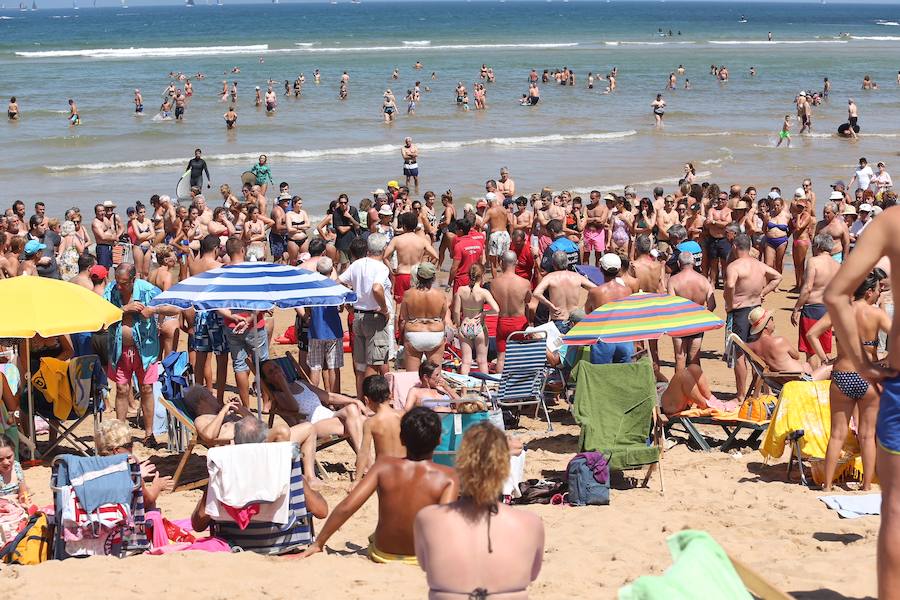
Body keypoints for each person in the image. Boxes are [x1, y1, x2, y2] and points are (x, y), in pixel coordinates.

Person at [822, 205, 900, 599]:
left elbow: (831, 297)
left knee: (896, 509)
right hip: (872, 374)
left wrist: (864, 363)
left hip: (850, 372)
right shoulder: (875, 311)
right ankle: (862, 482)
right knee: (865, 435)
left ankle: (830, 481)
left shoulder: (892, 222)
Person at [299, 407, 457, 563]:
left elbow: (347, 506)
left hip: (384, 553)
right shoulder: (448, 477)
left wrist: (319, 543)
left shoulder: (383, 466)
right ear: (439, 440)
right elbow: (446, 524)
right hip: (424, 556)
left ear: (402, 438)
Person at [415, 422, 544, 598]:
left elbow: (425, 565)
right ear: (505, 467)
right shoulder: (531, 523)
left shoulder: (428, 518)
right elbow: (532, 574)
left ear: (461, 463)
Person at [807, 270, 889, 492]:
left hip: (842, 374)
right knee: (867, 434)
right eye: (878, 289)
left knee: (837, 434)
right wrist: (885, 361)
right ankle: (865, 487)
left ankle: (827, 485)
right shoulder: (876, 314)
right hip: (868, 376)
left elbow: (812, 334)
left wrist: (825, 359)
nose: (879, 293)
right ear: (869, 291)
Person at [103, 263, 173, 447]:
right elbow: (102, 313)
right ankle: (120, 435)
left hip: (146, 351)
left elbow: (174, 308)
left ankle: (149, 434)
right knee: (121, 389)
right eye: (117, 281)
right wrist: (124, 309)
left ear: (133, 280)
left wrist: (154, 310)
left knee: (146, 389)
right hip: (119, 350)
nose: (119, 286)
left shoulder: (148, 290)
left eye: (124, 283)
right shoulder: (111, 290)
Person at [724, 234, 782, 401]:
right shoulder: (759, 265)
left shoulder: (734, 266)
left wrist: (729, 303)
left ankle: (741, 395)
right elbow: (778, 277)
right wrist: (762, 293)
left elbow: (729, 284)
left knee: (739, 353)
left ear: (735, 246)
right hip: (757, 311)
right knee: (757, 352)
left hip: (740, 311)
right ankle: (759, 392)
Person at [217, 238, 269, 409]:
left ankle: (245, 407)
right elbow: (262, 301)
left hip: (232, 326)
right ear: (242, 251)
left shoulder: (222, 272)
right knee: (262, 364)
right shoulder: (252, 271)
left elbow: (217, 305)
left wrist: (233, 318)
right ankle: (267, 402)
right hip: (254, 323)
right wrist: (247, 320)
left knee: (239, 366)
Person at [339, 233, 393, 396]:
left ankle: (362, 400)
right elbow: (377, 288)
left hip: (358, 316)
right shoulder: (381, 267)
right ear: (383, 249)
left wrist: (348, 303)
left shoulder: (357, 264)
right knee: (374, 364)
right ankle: (370, 401)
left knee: (360, 366)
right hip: (373, 318)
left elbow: (339, 282)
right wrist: (384, 308)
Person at [96, 419, 172, 511]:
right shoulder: (131, 471)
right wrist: (158, 485)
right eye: (129, 445)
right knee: (151, 507)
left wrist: (139, 475)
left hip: (99, 521)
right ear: (117, 450)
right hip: (124, 522)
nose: (132, 448)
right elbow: (148, 500)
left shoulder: (93, 467)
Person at [792, 234, 841, 367]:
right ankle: (825, 380)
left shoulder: (813, 261)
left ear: (818, 246)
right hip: (828, 311)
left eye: (813, 245)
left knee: (811, 351)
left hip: (812, 309)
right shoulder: (837, 265)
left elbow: (807, 288)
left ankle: (815, 381)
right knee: (824, 349)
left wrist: (796, 308)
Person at [747, 307, 830, 379]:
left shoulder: (751, 347)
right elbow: (796, 356)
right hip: (800, 379)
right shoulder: (779, 341)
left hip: (779, 380)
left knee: (807, 366)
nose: (773, 321)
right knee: (831, 366)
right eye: (771, 319)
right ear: (766, 325)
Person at [668, 252, 716, 370]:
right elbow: (712, 304)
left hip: (679, 323)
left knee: (680, 357)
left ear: (679, 264)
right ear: (693, 263)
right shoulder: (703, 280)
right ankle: (697, 387)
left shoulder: (673, 280)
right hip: (697, 322)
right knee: (694, 358)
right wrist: (704, 317)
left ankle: (679, 387)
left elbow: (670, 304)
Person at [399, 262, 449, 372]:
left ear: (417, 276)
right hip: (435, 333)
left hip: (414, 333)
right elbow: (442, 316)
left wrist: (400, 340)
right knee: (434, 375)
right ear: (434, 277)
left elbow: (404, 318)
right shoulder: (440, 295)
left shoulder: (408, 294)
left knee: (412, 376)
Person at [585, 253, 634, 364]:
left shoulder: (595, 292)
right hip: (624, 337)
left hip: (603, 338)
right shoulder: (627, 290)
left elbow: (588, 312)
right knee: (623, 374)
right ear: (619, 270)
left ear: (601, 269)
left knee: (601, 375)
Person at [354, 374, 403, 479]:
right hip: (405, 471)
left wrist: (357, 480)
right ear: (390, 395)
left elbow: (364, 452)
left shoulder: (371, 423)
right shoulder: (404, 415)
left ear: (366, 400)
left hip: (385, 474)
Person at [384, 212, 438, 305]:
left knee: (399, 306)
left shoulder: (397, 240)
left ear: (403, 225)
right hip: (416, 275)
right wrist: (425, 268)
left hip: (401, 274)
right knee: (416, 304)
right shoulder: (422, 240)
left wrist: (391, 271)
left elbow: (385, 257)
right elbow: (436, 257)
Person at [534, 251, 595, 333]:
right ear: (567, 263)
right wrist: (586, 306)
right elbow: (596, 289)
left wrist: (550, 305)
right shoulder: (577, 277)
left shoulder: (550, 277)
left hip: (559, 319)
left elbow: (536, 293)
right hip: (575, 320)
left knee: (559, 345)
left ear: (554, 264)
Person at [453, 264, 498, 375]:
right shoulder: (483, 292)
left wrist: (459, 325)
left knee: (466, 362)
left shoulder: (460, 290)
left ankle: (463, 391)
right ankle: (484, 388)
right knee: (482, 361)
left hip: (465, 325)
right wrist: (484, 313)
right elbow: (496, 309)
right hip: (479, 327)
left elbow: (456, 311)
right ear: (482, 276)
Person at [491, 251, 532, 373]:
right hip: (519, 322)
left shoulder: (494, 283)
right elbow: (528, 301)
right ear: (517, 262)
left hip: (502, 321)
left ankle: (499, 385)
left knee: (501, 358)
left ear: (501, 262)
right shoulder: (524, 283)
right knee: (521, 357)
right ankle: (518, 384)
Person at [448, 218, 485, 293]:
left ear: (461, 231)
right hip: (476, 279)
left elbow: (454, 268)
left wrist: (449, 283)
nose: (455, 230)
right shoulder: (478, 244)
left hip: (461, 280)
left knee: (459, 303)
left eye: (456, 229)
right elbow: (481, 263)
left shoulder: (459, 246)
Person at [0, 434, 28, 504]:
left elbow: (23, 492)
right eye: (0, 459)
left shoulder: (16, 467)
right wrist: (6, 499)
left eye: (9, 457)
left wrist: (23, 499)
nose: (6, 462)